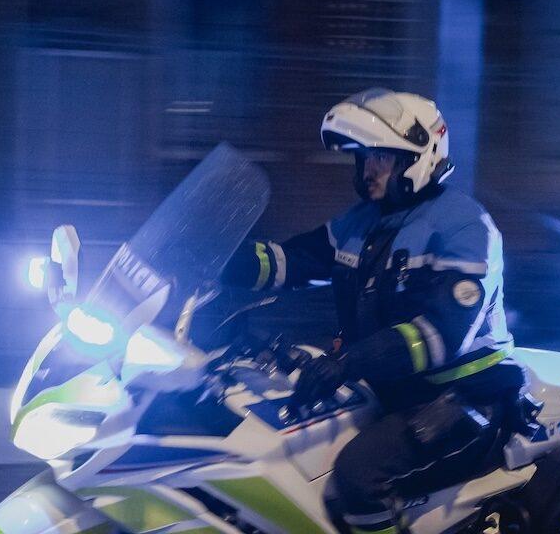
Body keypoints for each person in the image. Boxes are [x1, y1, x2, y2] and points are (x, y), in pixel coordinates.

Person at [222, 88, 524, 534]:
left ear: (416, 158)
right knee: (290, 446)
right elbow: (297, 260)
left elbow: (437, 335)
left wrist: (346, 362)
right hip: (394, 390)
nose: (367, 172)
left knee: (357, 477)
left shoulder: (464, 226)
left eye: (379, 158)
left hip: (464, 398)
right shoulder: (364, 222)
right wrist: (221, 259)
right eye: (362, 159)